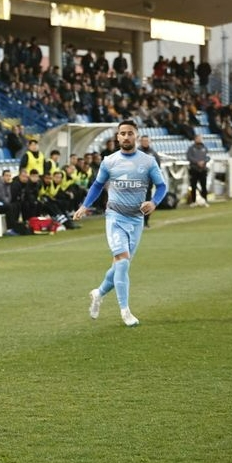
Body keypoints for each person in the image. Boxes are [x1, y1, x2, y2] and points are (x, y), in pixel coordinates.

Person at [73, 120, 168, 327]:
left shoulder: (148, 161)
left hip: (136, 220)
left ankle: (98, 293)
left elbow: (161, 187)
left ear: (136, 136)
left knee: (119, 266)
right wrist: (84, 206)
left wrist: (154, 202)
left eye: (130, 133)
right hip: (115, 218)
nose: (126, 136)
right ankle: (125, 311)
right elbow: (97, 185)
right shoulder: (109, 161)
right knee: (123, 261)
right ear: (117, 137)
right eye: (122, 133)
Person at [138, 135, 161, 228]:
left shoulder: (153, 153)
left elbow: (157, 167)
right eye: (143, 141)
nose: (145, 142)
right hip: (138, 181)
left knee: (147, 201)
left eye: (146, 141)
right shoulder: (136, 153)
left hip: (148, 182)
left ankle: (146, 221)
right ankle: (138, 221)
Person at [186, 134, 210, 206]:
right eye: (198, 138)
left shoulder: (204, 148)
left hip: (203, 169)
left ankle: (205, 200)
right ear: (195, 139)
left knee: (204, 186)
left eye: (200, 138)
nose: (200, 140)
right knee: (193, 186)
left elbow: (208, 157)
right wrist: (197, 162)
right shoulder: (191, 148)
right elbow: (189, 157)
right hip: (194, 169)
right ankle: (193, 201)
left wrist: (204, 161)